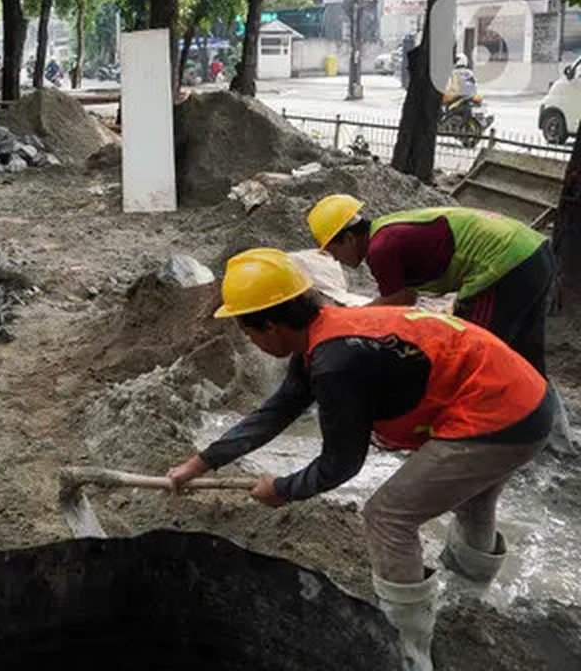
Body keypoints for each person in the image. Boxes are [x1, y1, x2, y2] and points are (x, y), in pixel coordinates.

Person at [168, 248, 556, 671]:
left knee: (388, 516)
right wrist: (202, 462)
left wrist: (282, 489)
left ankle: (405, 652)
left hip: (500, 415)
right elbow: (277, 411)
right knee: (474, 499)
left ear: (271, 327)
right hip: (526, 400)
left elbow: (341, 464)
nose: (253, 343)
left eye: (248, 334)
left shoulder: (337, 363)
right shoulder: (327, 333)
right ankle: (471, 600)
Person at [307, 194, 555, 374]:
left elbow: (397, 303)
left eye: (333, 250)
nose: (336, 259)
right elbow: (409, 298)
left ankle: (478, 430)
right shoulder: (390, 231)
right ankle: (551, 436)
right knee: (528, 355)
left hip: (504, 264)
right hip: (533, 251)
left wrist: (345, 321)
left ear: (349, 238)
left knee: (474, 353)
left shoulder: (380, 249)